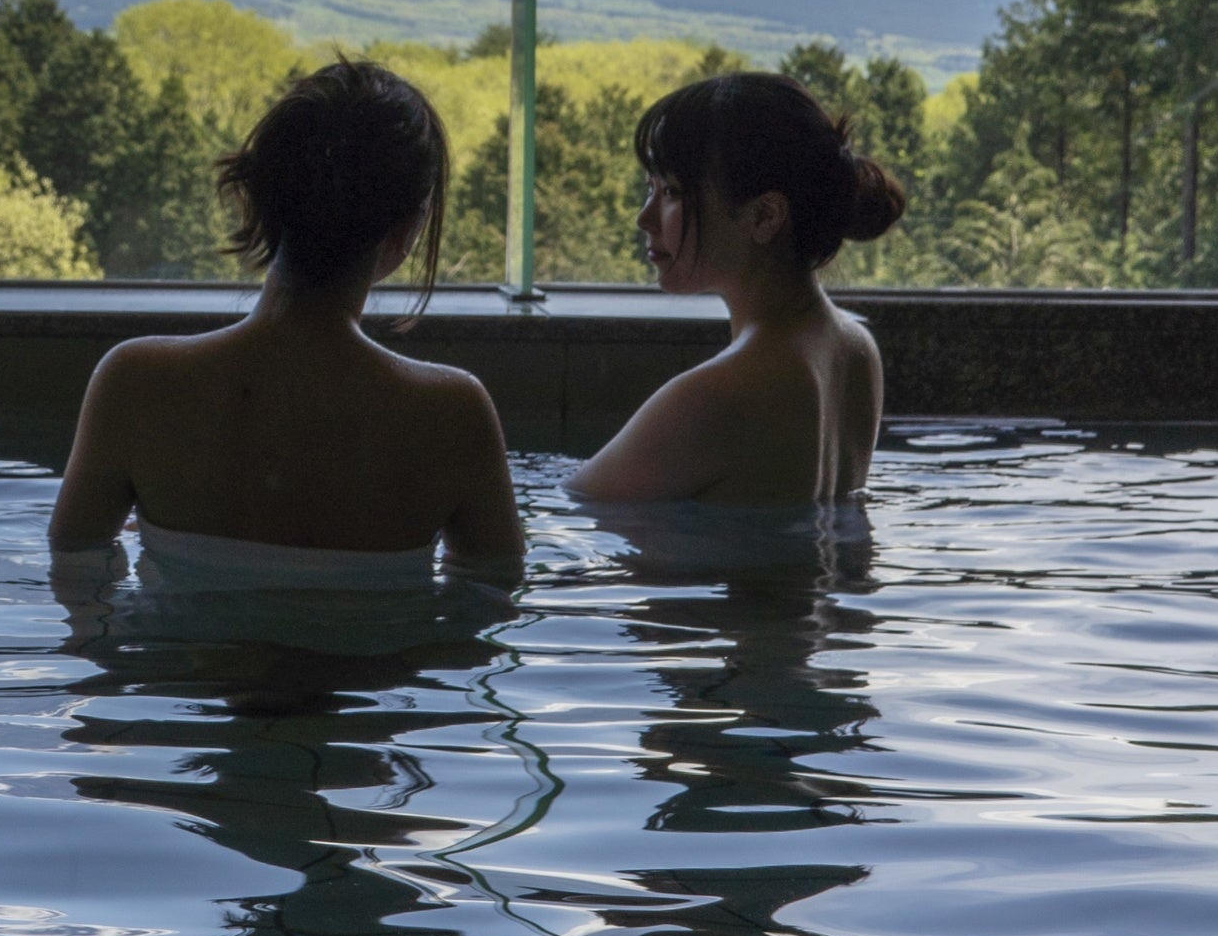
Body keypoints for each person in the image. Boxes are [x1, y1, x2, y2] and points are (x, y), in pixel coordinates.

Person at [51, 59, 525, 588]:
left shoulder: (136, 384)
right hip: (377, 671)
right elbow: (488, 607)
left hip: (185, 671)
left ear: (256, 195)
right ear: (407, 229)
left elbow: (79, 583)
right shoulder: (453, 414)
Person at [569, 72, 904, 529]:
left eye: (671, 191)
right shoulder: (855, 348)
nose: (644, 218)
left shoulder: (716, 396)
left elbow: (571, 519)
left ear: (764, 216)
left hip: (729, 602)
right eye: (652, 189)